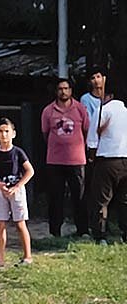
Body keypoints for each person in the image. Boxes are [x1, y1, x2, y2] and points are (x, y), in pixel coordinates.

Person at [39, 78, 89, 239]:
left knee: (79, 197)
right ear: (56, 91)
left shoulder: (80, 109)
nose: (63, 92)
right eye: (60, 89)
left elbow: (86, 130)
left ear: (71, 91)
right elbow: (45, 133)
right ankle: (55, 232)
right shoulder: (48, 110)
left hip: (76, 160)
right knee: (55, 198)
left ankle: (82, 231)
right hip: (55, 160)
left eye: (66, 88)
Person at [0, 118, 34, 267]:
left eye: (7, 131)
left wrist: (17, 186)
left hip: (16, 192)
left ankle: (27, 257)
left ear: (13, 134)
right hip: (1, 191)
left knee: (20, 223)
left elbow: (30, 171)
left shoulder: (18, 152)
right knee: (0, 224)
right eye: (1, 131)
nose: (4, 135)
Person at [92, 84, 127, 243]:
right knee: (124, 200)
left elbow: (92, 139)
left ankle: (101, 236)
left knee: (102, 201)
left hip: (106, 160)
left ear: (109, 96)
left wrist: (91, 158)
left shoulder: (103, 111)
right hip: (125, 160)